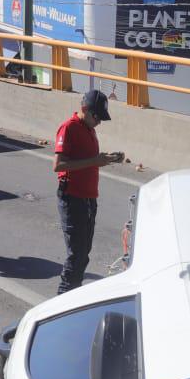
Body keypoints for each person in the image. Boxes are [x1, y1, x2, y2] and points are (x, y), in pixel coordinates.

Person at [53, 89, 123, 293]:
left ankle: (73, 295)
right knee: (76, 255)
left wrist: (106, 159)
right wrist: (94, 161)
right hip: (73, 198)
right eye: (97, 116)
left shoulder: (89, 129)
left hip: (89, 200)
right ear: (85, 109)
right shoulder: (69, 128)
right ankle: (63, 299)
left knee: (84, 254)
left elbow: (87, 162)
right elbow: (59, 165)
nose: (99, 121)